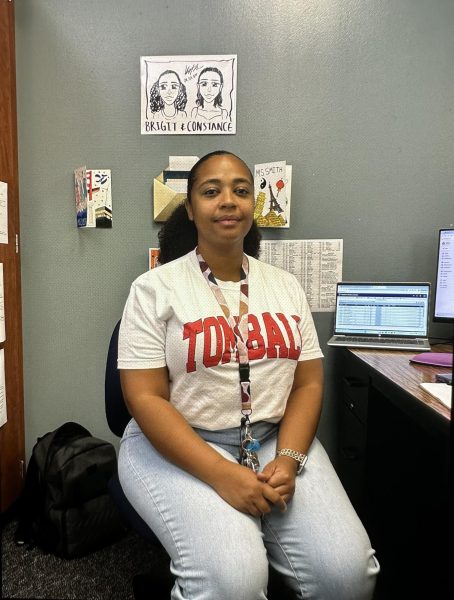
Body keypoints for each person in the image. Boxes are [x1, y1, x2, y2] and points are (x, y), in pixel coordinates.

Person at [117, 151, 379, 600]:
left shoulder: (285, 285)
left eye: (241, 190)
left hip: (274, 440)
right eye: (211, 190)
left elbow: (308, 382)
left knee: (348, 576)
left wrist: (291, 459)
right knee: (233, 583)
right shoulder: (154, 289)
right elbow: (146, 399)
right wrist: (221, 473)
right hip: (178, 444)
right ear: (191, 208)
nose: (228, 200)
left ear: (253, 205)